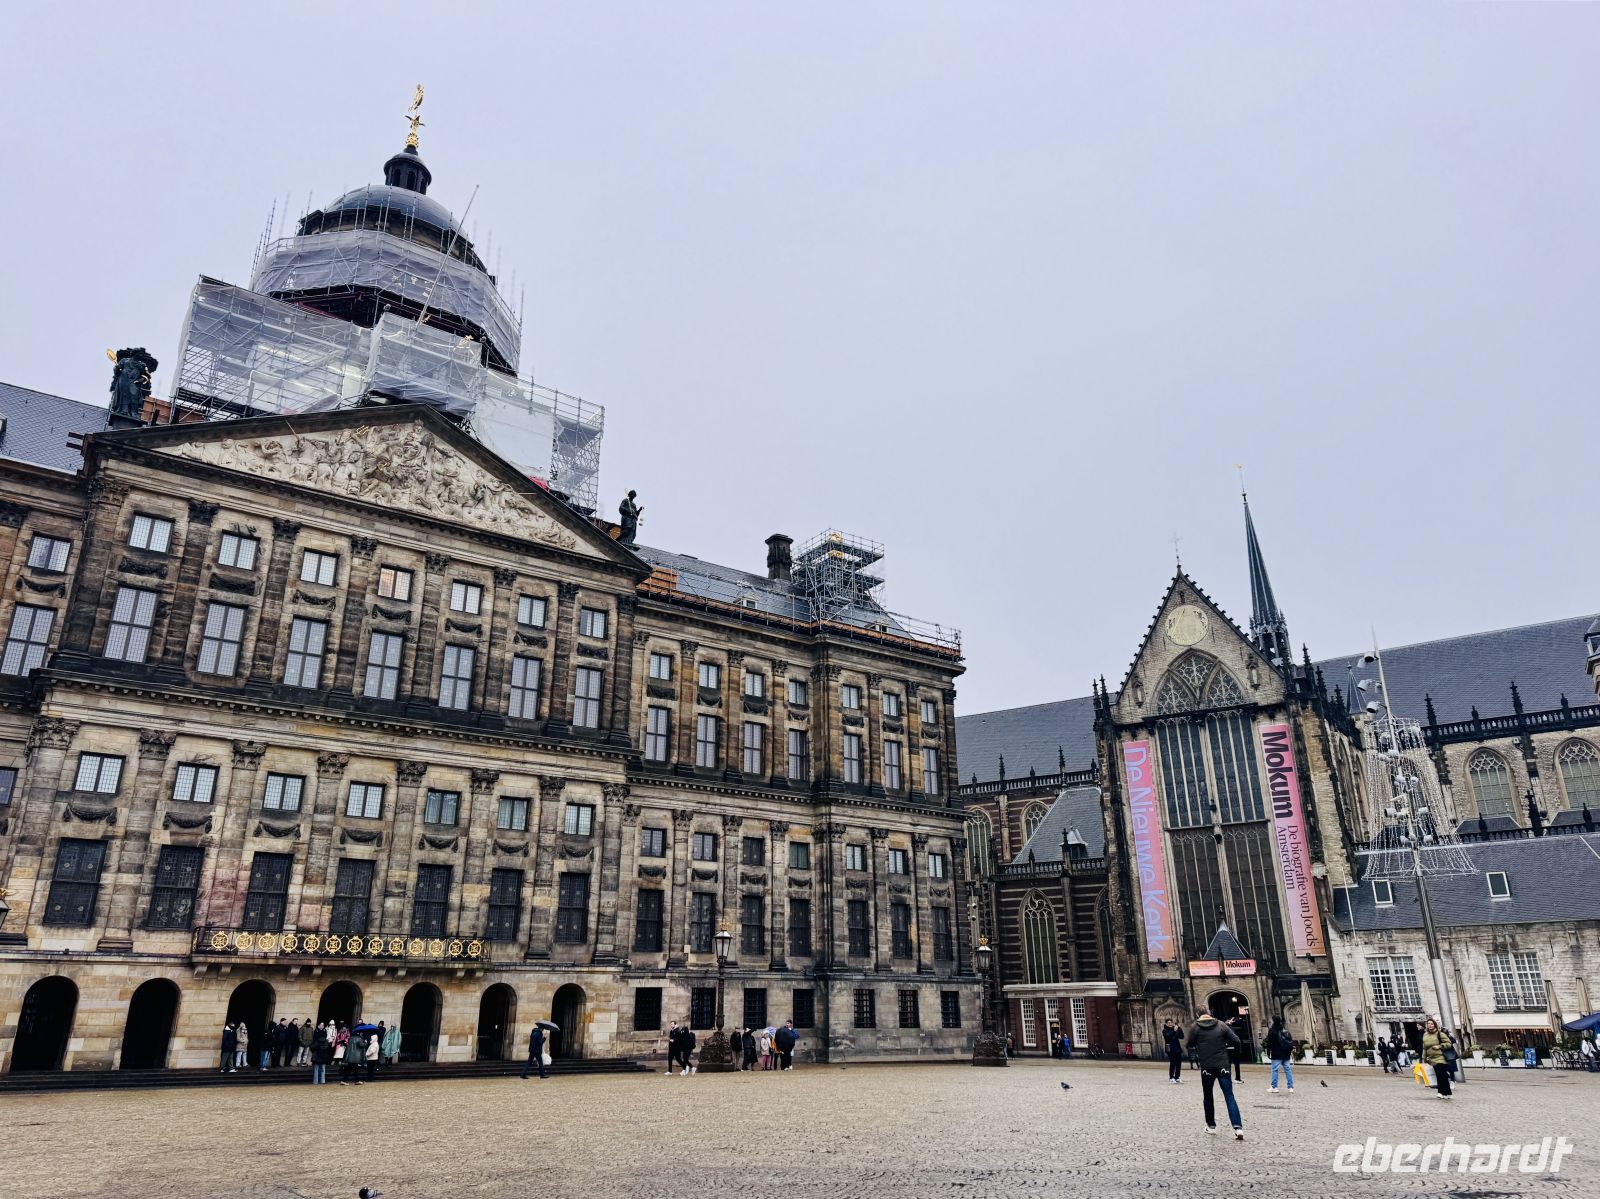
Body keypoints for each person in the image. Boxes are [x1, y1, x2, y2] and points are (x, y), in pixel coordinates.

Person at [1186, 1009, 1244, 1139]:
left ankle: (1211, 1126)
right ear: (1210, 1013)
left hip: (1207, 1067)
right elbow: (1236, 1041)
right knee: (1229, 1096)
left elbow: (1189, 1044)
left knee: (1208, 1095)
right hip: (1223, 1065)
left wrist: (1199, 1049)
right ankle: (1238, 1128)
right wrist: (1233, 1054)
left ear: (1197, 1015)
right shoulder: (1221, 1025)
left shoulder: (1195, 1027)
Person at [1420, 1017, 1455, 1099]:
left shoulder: (1440, 1034)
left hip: (1440, 1057)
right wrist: (1423, 1058)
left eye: (1431, 1024)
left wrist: (1439, 1046)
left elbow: (1448, 1043)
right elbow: (1424, 1048)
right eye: (1428, 1024)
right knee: (1441, 1076)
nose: (1430, 1025)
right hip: (1431, 1058)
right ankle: (1447, 1093)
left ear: (1435, 1025)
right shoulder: (1425, 1035)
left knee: (1440, 1075)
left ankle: (1442, 1092)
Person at [1266, 1016, 1294, 1094]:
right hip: (1286, 1053)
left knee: (1275, 1070)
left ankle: (1274, 1087)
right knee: (1288, 1069)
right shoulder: (1284, 1030)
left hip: (1276, 1053)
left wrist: (1268, 1052)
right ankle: (1290, 1087)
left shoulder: (1272, 1030)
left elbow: (1269, 1043)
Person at [1162, 1019, 1185, 1083]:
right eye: (1168, 1023)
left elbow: (1182, 1036)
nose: (1170, 1024)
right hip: (1170, 1049)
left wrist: (1179, 1028)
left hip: (1177, 1048)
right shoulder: (1165, 1030)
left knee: (1178, 1063)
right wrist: (1174, 1031)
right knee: (1173, 1063)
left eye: (1171, 1022)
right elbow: (1167, 1037)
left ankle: (1177, 1077)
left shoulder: (1175, 1029)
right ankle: (1171, 1077)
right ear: (1166, 1024)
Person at [1227, 1016, 1245, 1082]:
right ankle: (1228, 1078)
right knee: (1228, 1064)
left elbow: (1241, 1028)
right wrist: (1228, 1023)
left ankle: (1237, 1078)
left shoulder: (1233, 1028)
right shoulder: (1226, 1028)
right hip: (1228, 1048)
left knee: (1236, 1064)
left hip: (1234, 1048)